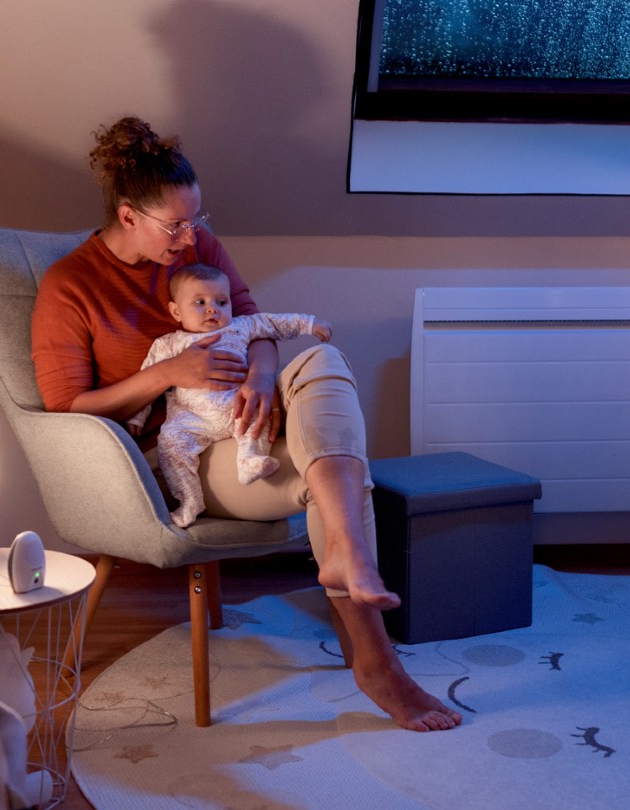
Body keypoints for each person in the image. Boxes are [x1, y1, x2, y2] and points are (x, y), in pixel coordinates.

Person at [30, 116, 461, 732]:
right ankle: (376, 659)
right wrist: (167, 373)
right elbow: (66, 410)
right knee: (337, 479)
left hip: (250, 416)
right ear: (128, 217)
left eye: (196, 220)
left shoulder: (196, 249)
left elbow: (255, 323)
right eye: (175, 226)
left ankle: (347, 559)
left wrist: (262, 377)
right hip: (187, 452)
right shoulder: (70, 286)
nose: (191, 239)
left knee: (322, 358)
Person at [128, 262, 332, 528]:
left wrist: (310, 323)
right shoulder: (168, 343)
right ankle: (189, 501)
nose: (213, 308)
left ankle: (250, 459)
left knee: (259, 414)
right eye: (199, 302)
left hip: (236, 406)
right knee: (171, 444)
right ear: (176, 311)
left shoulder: (240, 326)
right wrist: (137, 416)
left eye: (221, 302)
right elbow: (149, 376)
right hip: (191, 418)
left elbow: (274, 323)